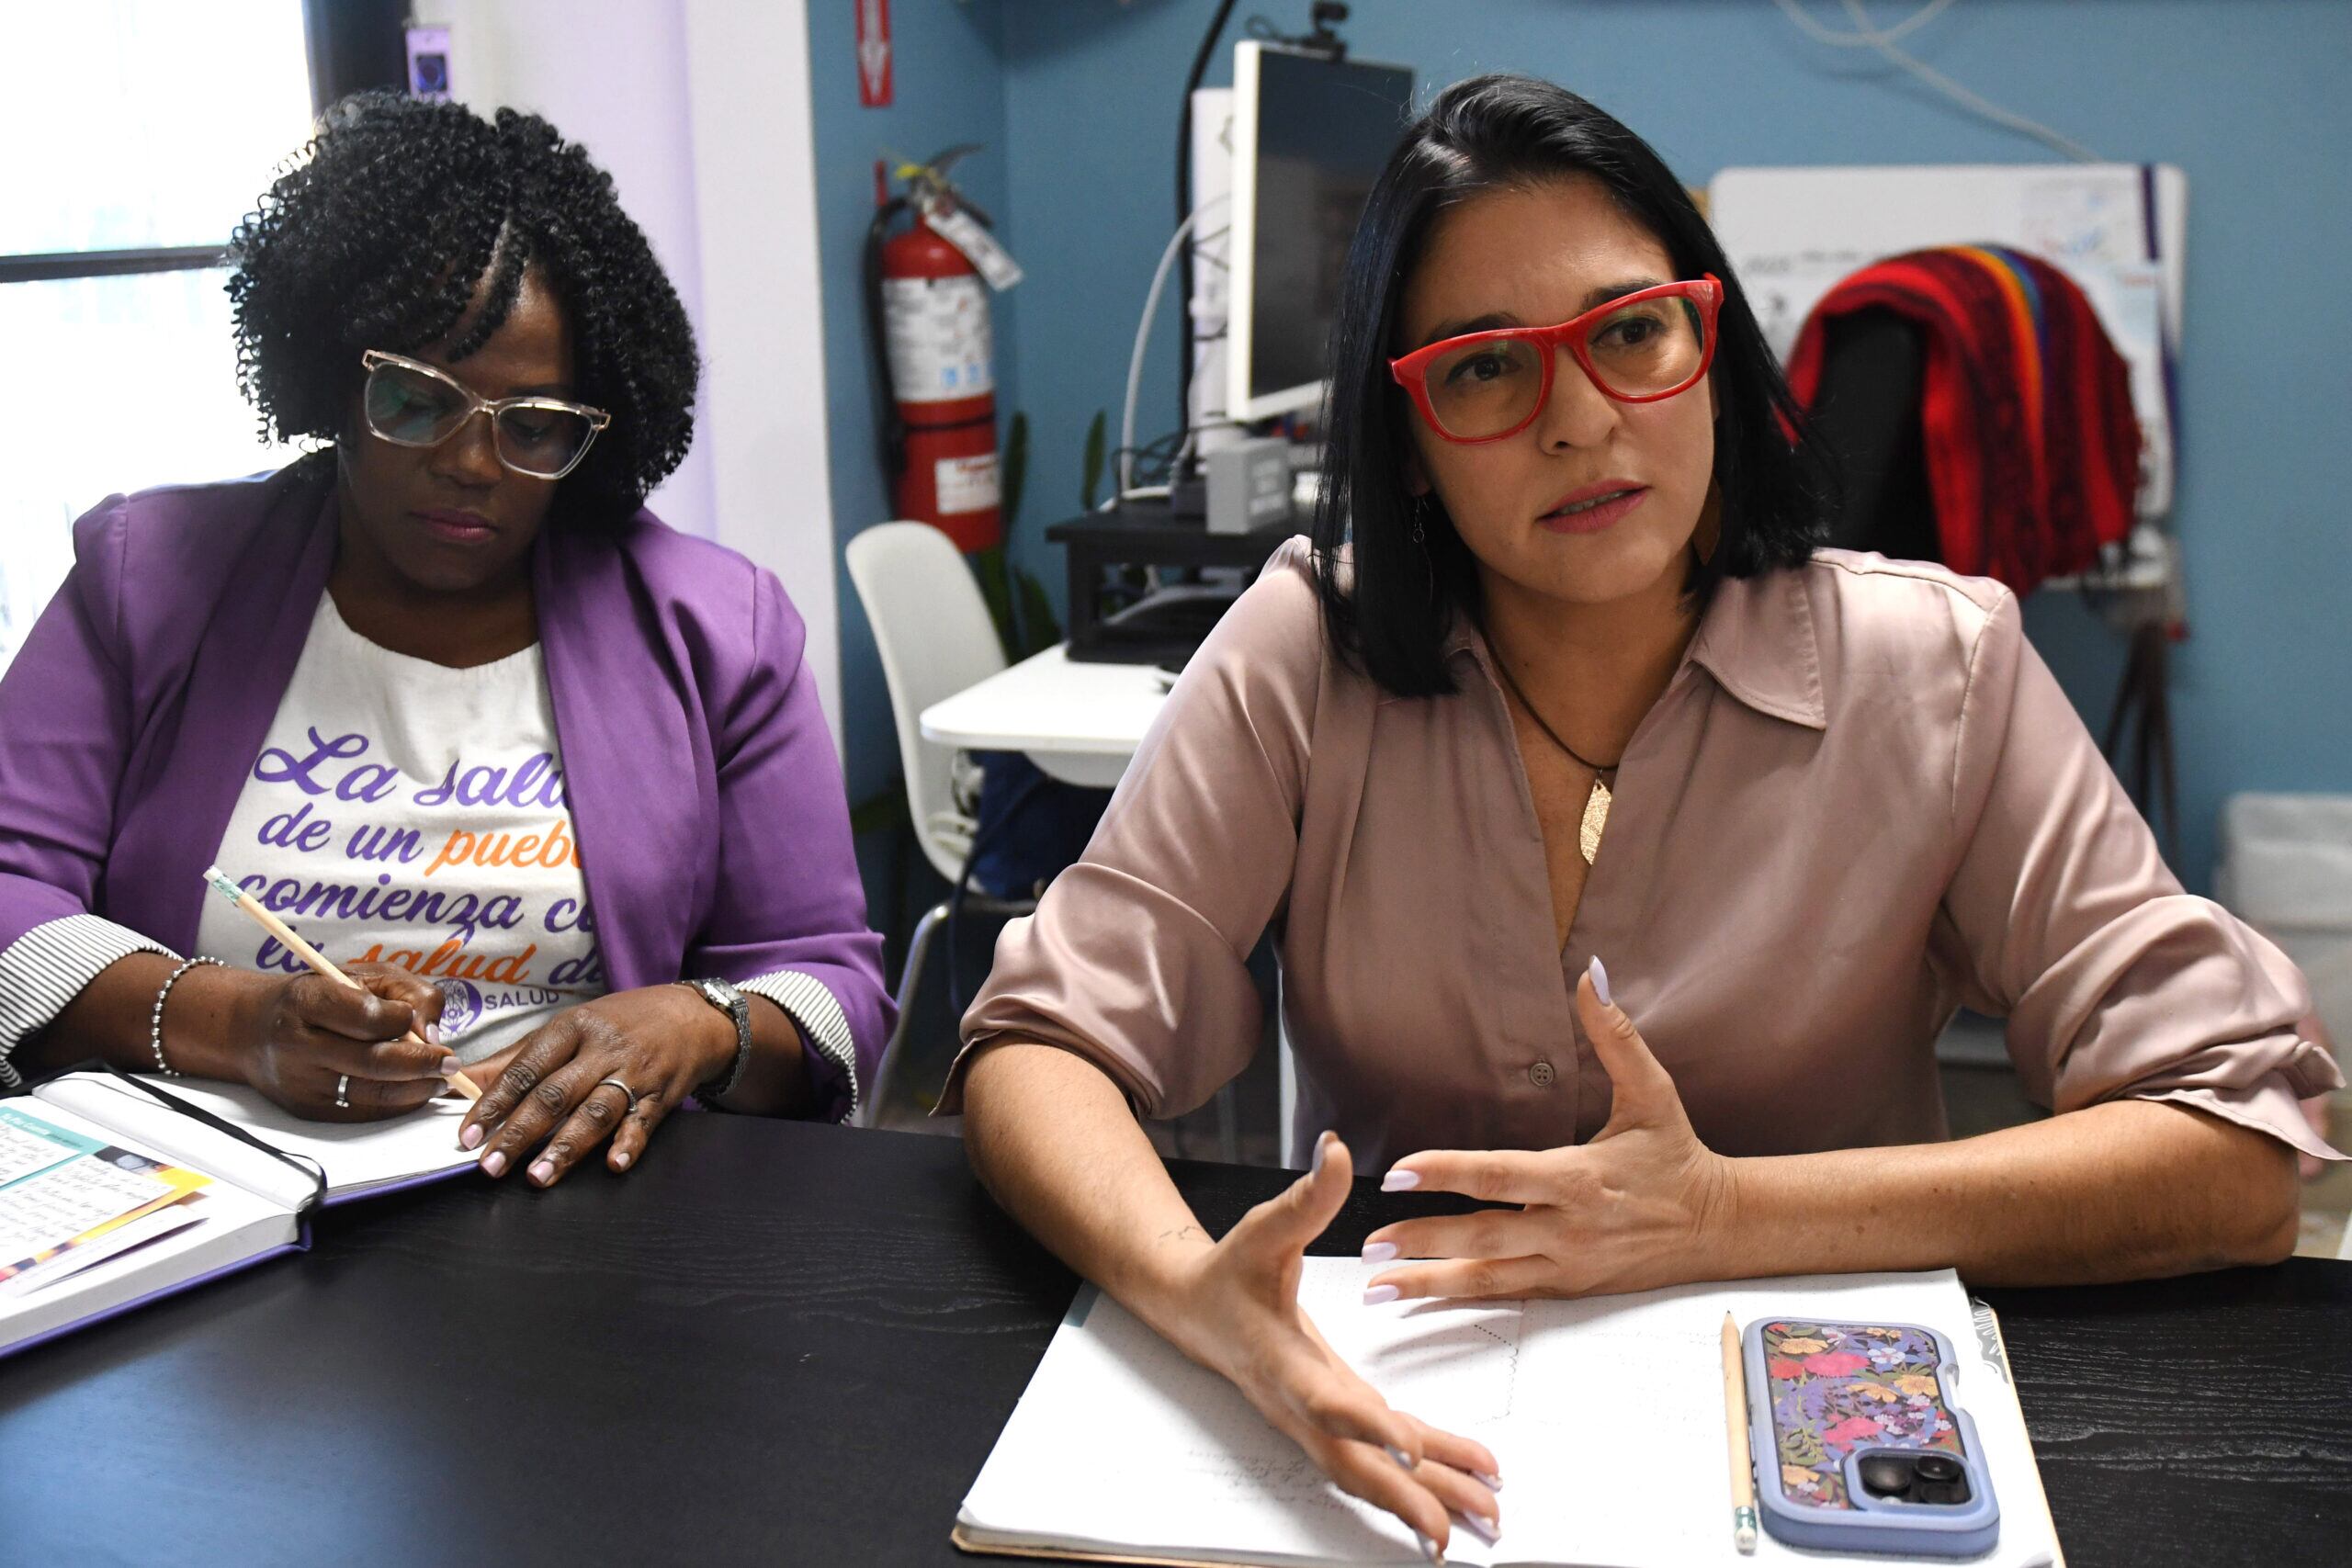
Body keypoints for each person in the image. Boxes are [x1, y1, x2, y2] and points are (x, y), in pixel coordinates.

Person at [944, 76, 2342, 1557]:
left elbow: (2236, 1147)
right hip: (1403, 1446)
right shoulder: (1308, 651)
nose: (1581, 419)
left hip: (1818, 1455)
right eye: (1486, 368)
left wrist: (1722, 1213)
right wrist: (1198, 1293)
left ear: (1710, 347)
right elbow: (1043, 1043)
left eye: (1629, 332)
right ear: (1406, 429)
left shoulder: (1940, 666)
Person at [0, 93, 891, 1185]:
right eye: (419, 403)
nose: (472, 466)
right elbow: (8, 888)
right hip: (208, 1203)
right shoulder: (152, 575)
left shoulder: (716, 631)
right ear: (335, 374)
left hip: (574, 1210)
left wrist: (694, 1027)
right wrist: (238, 1023)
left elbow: (828, 988)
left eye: (532, 427)